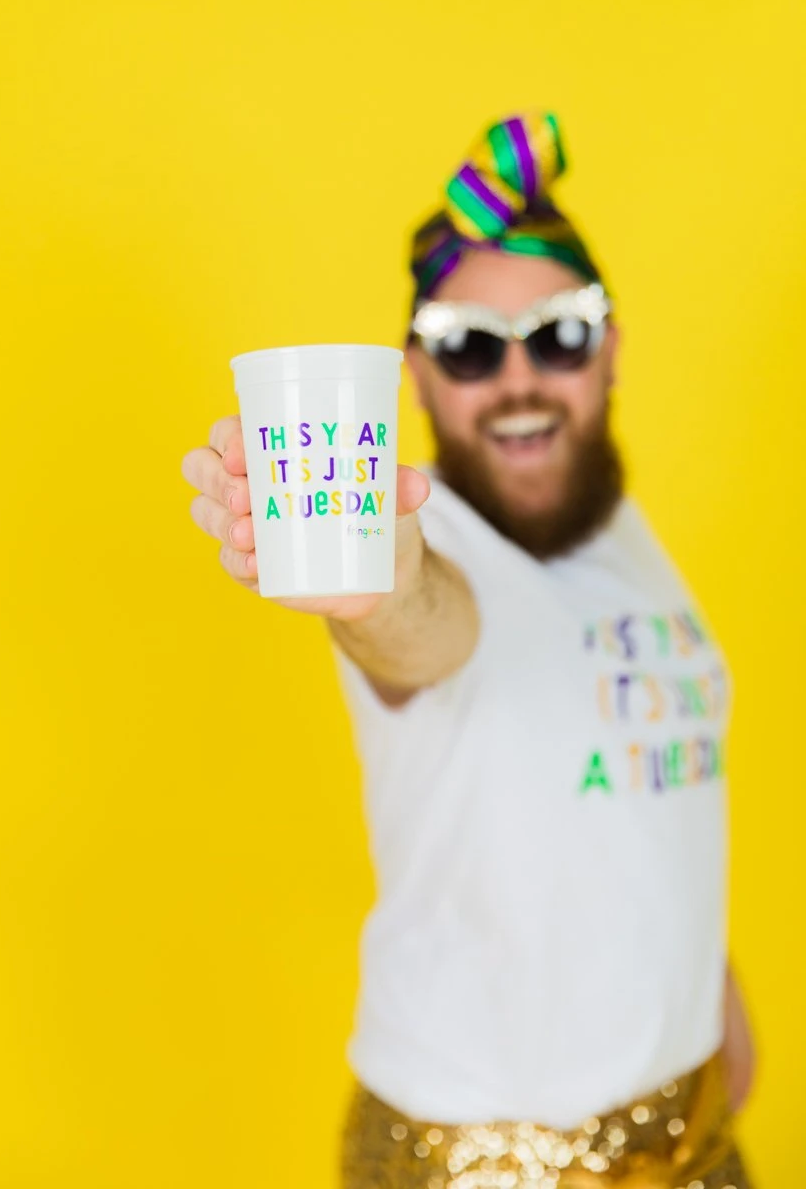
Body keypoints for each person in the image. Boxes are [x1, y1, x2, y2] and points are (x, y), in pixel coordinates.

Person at [181, 113, 756, 1189]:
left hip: (690, 1134)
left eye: (560, 334)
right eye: (469, 344)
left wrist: (706, 988)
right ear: (416, 373)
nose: (519, 379)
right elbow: (419, 628)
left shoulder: (612, 524)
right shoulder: (429, 539)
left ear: (612, 350)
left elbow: (640, 794)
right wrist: (377, 584)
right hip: (473, 1164)